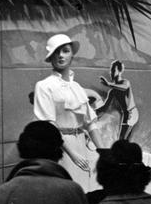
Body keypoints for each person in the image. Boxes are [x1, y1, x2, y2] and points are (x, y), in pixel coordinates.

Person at [33, 33, 101, 192]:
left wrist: (104, 152)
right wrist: (73, 154)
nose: (61, 55)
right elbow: (49, 126)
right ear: (50, 57)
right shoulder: (44, 86)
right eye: (56, 52)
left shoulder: (77, 88)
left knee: (83, 191)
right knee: (64, 191)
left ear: (72, 55)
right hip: (60, 148)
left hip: (81, 145)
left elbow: (91, 124)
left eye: (65, 51)